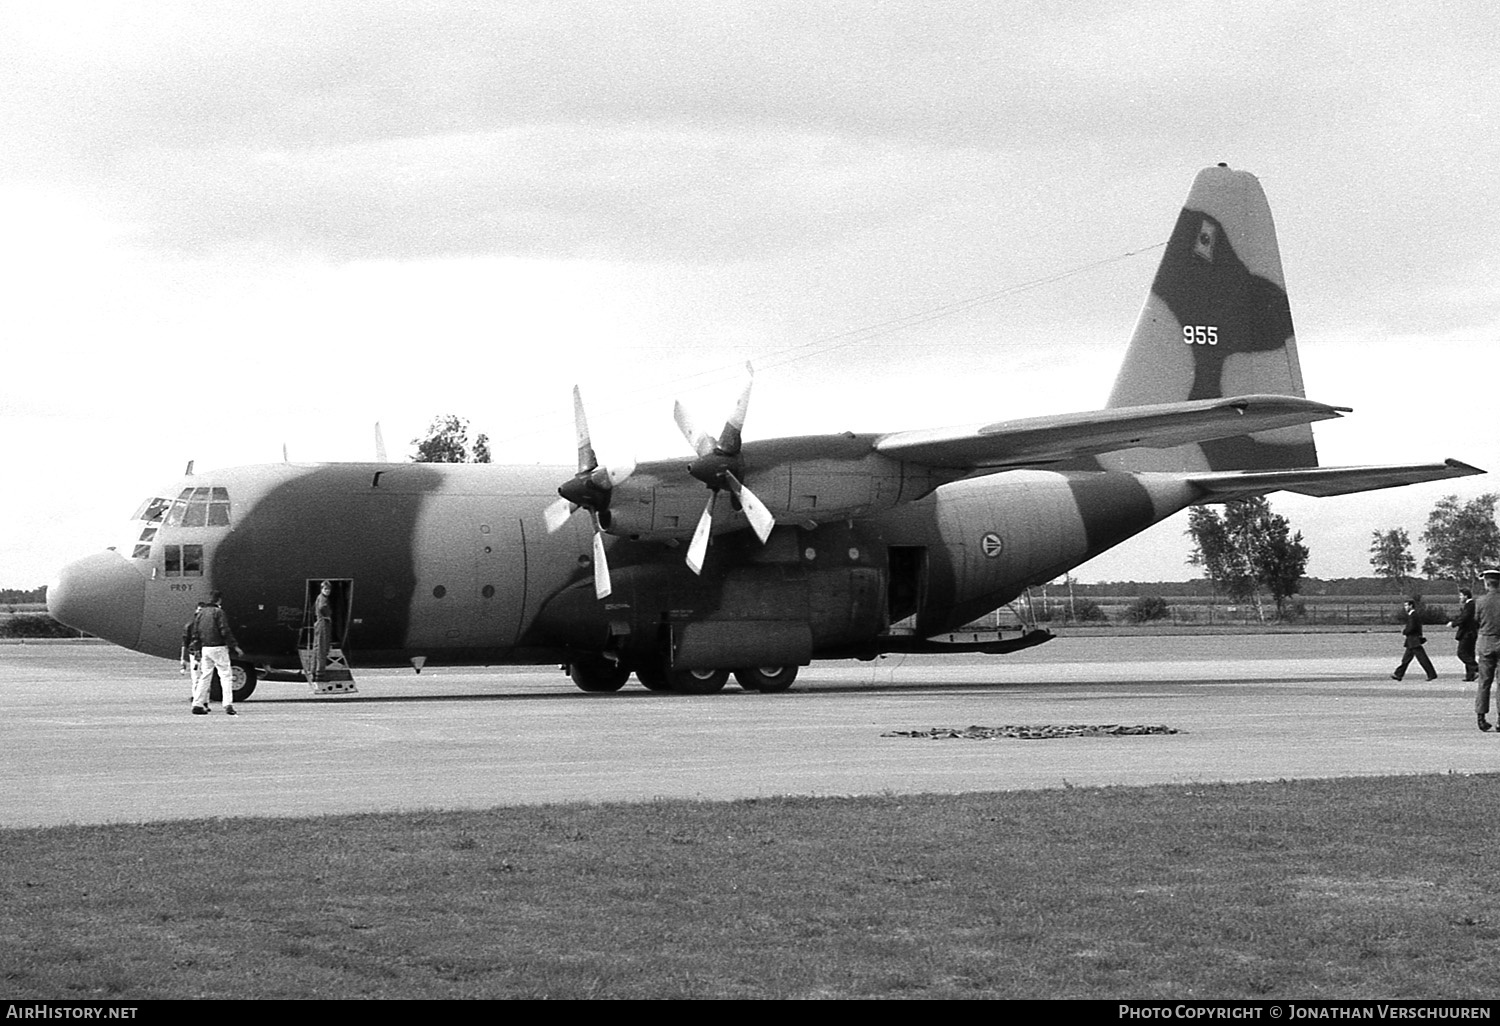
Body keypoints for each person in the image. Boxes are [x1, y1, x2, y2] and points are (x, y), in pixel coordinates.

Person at [190, 591, 243, 716]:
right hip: (219, 647)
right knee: (225, 675)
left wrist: (197, 649)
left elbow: (195, 633)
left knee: (205, 676)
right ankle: (228, 704)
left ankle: (197, 703)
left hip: (205, 648)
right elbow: (224, 630)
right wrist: (235, 646)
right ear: (219, 600)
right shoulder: (218, 612)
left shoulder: (201, 613)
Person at [1474, 570, 1500, 732]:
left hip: (1486, 642)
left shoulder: (1481, 601)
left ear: (1486, 583)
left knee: (1484, 682)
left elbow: (1476, 620)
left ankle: (1481, 717)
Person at [1390, 597, 1437, 682]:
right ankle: (1398, 674)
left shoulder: (1413, 615)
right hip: (1412, 641)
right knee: (1406, 659)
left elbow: (1411, 628)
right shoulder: (1413, 615)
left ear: (1411, 606)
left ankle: (1432, 674)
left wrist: (1404, 631)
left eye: (1406, 605)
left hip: (1413, 641)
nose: (1405, 607)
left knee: (1422, 659)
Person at [1448, 586, 1479, 683]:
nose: (1459, 597)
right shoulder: (1469, 605)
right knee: (1469, 653)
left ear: (1466, 596)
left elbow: (1464, 618)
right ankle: (1470, 675)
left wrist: (1453, 623)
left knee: (1461, 653)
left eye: (1461, 595)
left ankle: (1478, 669)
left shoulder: (1470, 605)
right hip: (1471, 633)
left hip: (1468, 633)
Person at [180, 600, 205, 705]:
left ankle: (200, 698)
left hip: (203, 652)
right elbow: (184, 643)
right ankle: (197, 698)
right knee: (197, 677)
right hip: (195, 653)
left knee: (201, 677)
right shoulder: (191, 626)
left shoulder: (195, 625)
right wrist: (183, 658)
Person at [311, 580, 333, 683]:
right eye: (325, 589)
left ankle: (314, 672)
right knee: (322, 649)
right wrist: (327, 615)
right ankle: (320, 674)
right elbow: (322, 607)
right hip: (323, 623)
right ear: (321, 589)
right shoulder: (323, 598)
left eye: (328, 589)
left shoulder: (319, 598)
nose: (327, 591)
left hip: (318, 623)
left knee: (317, 648)